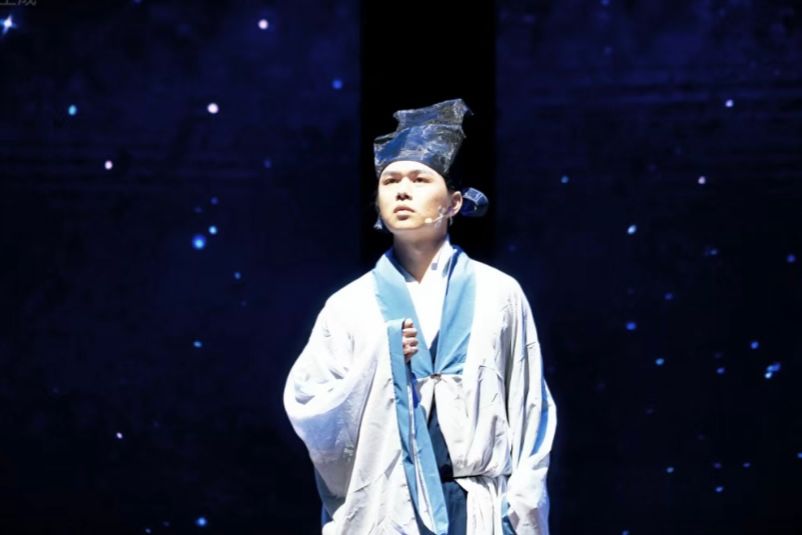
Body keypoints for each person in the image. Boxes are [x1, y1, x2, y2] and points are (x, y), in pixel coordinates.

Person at [283, 99, 557, 535]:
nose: (402, 191)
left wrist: (522, 509)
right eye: (390, 181)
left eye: (420, 179)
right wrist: (382, 356)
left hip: (479, 509)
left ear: (454, 203)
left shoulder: (499, 293)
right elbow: (310, 404)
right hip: (388, 505)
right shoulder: (349, 305)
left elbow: (529, 408)